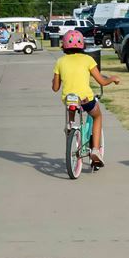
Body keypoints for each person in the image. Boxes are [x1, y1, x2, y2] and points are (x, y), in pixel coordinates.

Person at [50, 30, 117, 168]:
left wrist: (55, 79)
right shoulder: (88, 60)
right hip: (86, 99)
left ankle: (70, 125)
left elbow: (55, 88)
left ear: (64, 45)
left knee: (71, 102)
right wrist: (112, 79)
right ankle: (96, 150)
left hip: (69, 99)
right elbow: (102, 82)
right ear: (82, 45)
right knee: (97, 116)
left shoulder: (60, 62)